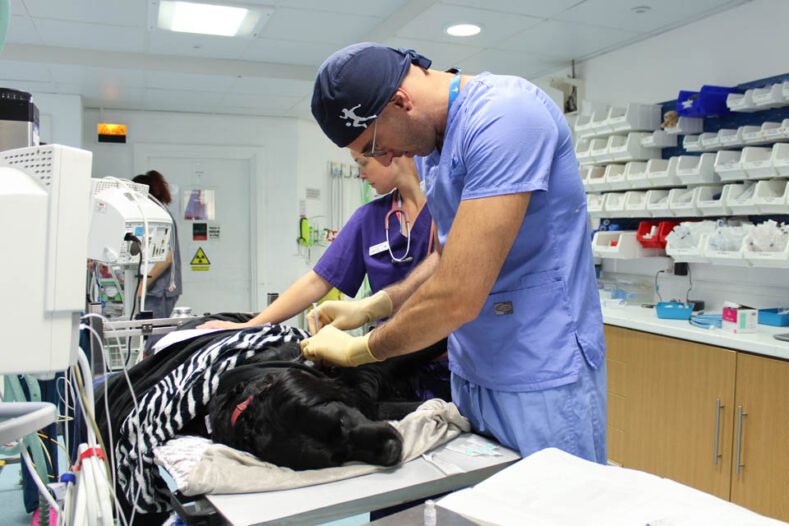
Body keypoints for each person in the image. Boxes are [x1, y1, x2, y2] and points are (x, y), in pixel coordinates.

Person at [302, 43, 607, 463]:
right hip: (473, 372)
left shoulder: (506, 118)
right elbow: (449, 259)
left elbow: (458, 293)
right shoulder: (432, 148)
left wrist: (362, 349)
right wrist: (374, 305)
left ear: (400, 101)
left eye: (375, 146)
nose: (386, 160)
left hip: (539, 373)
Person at [199, 154, 449, 401]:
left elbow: (449, 272)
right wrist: (252, 325)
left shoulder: (448, 207)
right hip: (387, 362)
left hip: (448, 362)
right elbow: (317, 280)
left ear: (389, 151)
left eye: (363, 163)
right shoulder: (369, 218)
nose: (362, 175)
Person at [132, 170, 182, 351]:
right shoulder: (161, 212)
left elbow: (166, 257)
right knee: (152, 339)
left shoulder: (157, 216)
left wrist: (144, 284)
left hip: (158, 290)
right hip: (160, 289)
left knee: (155, 343)